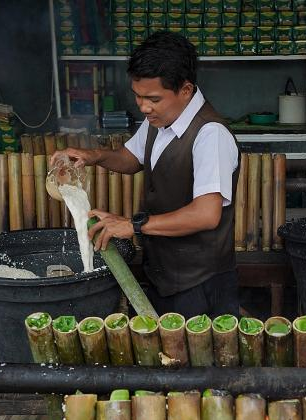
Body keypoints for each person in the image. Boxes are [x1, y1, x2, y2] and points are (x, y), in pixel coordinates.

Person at [53, 31, 240, 318]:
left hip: (200, 283)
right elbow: (131, 158)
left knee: (200, 359)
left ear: (186, 90)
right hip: (163, 273)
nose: (143, 107)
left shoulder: (210, 135)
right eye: (138, 96)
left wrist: (133, 225)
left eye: (152, 98)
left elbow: (206, 214)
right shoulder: (160, 119)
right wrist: (94, 156)